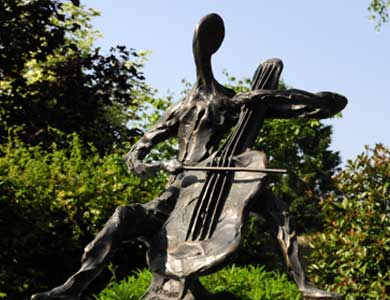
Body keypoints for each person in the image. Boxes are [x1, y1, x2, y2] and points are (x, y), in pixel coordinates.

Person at [32, 13, 346, 300]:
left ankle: (305, 286)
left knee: (278, 211)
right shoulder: (179, 109)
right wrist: (159, 164)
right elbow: (134, 158)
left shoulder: (232, 102)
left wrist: (262, 96)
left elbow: (325, 105)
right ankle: (72, 288)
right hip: (179, 187)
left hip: (222, 176)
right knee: (122, 217)